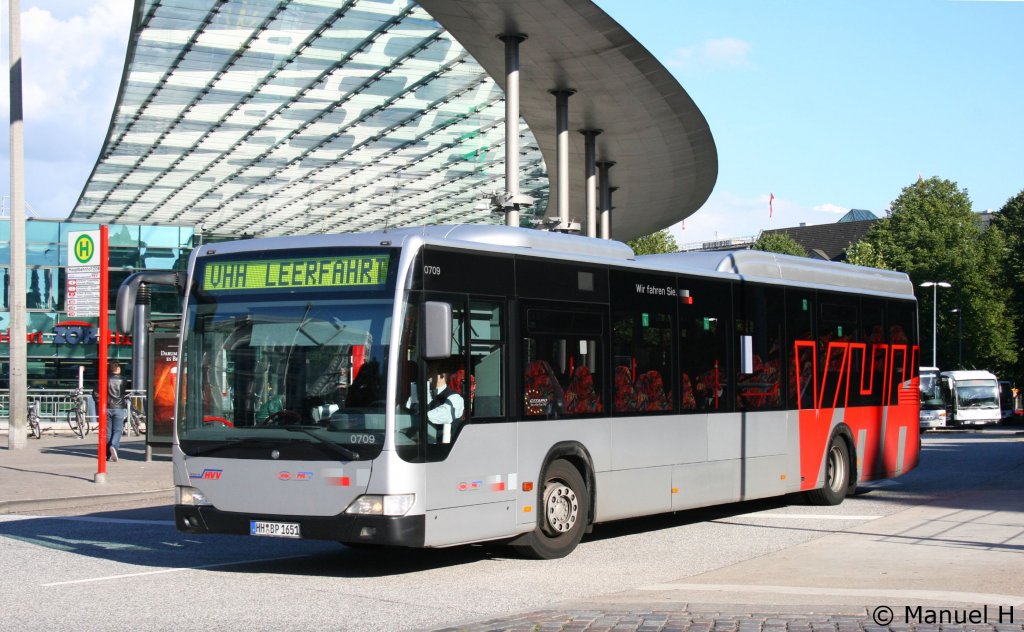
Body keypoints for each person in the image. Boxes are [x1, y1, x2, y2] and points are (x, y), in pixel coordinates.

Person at [424, 365, 464, 443]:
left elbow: (445, 414)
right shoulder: (424, 394)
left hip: (443, 448)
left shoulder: (455, 397)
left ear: (442, 375)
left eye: (431, 372)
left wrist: (420, 417)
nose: (427, 374)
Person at [107, 361, 128, 462]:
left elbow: (96, 393)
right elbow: (123, 392)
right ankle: (114, 447)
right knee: (118, 430)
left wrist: (100, 403)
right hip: (119, 407)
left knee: (108, 431)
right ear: (118, 368)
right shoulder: (123, 379)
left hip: (107, 407)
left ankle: (107, 453)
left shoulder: (105, 379)